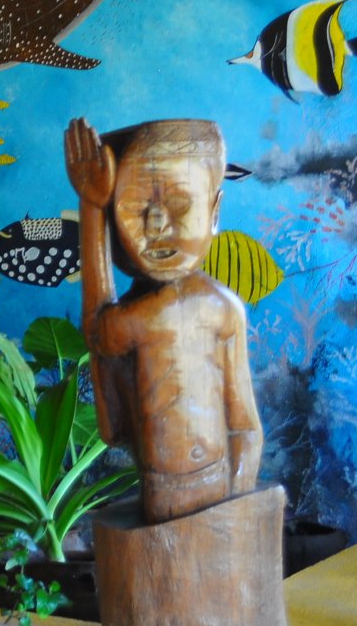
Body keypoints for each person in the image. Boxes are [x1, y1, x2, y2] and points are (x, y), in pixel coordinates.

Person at [64, 117, 262, 523]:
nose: (156, 225)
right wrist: (93, 206)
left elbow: (245, 427)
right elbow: (100, 333)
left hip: (220, 488)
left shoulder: (223, 309)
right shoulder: (142, 316)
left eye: (179, 203)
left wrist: (238, 503)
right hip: (161, 495)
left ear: (214, 211)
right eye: (136, 208)